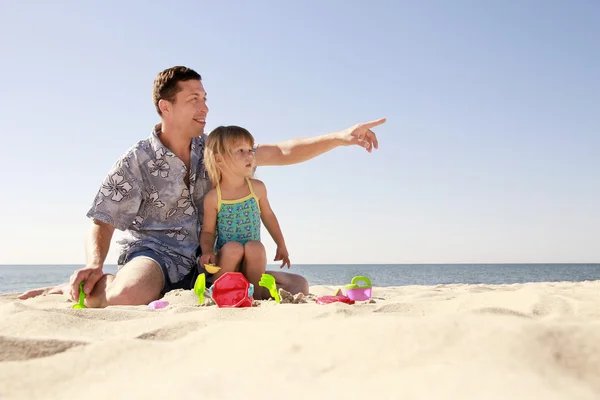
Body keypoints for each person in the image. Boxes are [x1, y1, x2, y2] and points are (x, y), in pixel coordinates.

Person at [18, 66, 385, 307]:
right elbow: (102, 219)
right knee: (129, 294)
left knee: (298, 284)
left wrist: (341, 137)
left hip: (209, 261)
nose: (204, 107)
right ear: (166, 107)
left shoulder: (214, 150)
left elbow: (281, 151)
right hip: (155, 254)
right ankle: (96, 285)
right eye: (194, 99)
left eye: (205, 98)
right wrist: (94, 263)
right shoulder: (137, 159)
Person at [200, 125, 290, 300]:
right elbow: (208, 231)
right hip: (227, 260)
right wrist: (207, 251)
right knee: (233, 248)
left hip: (252, 260)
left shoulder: (257, 188)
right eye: (240, 150)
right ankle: (220, 291)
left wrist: (281, 244)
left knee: (255, 247)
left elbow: (268, 216)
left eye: (250, 149)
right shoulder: (214, 197)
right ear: (219, 160)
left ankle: (254, 297)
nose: (249, 154)